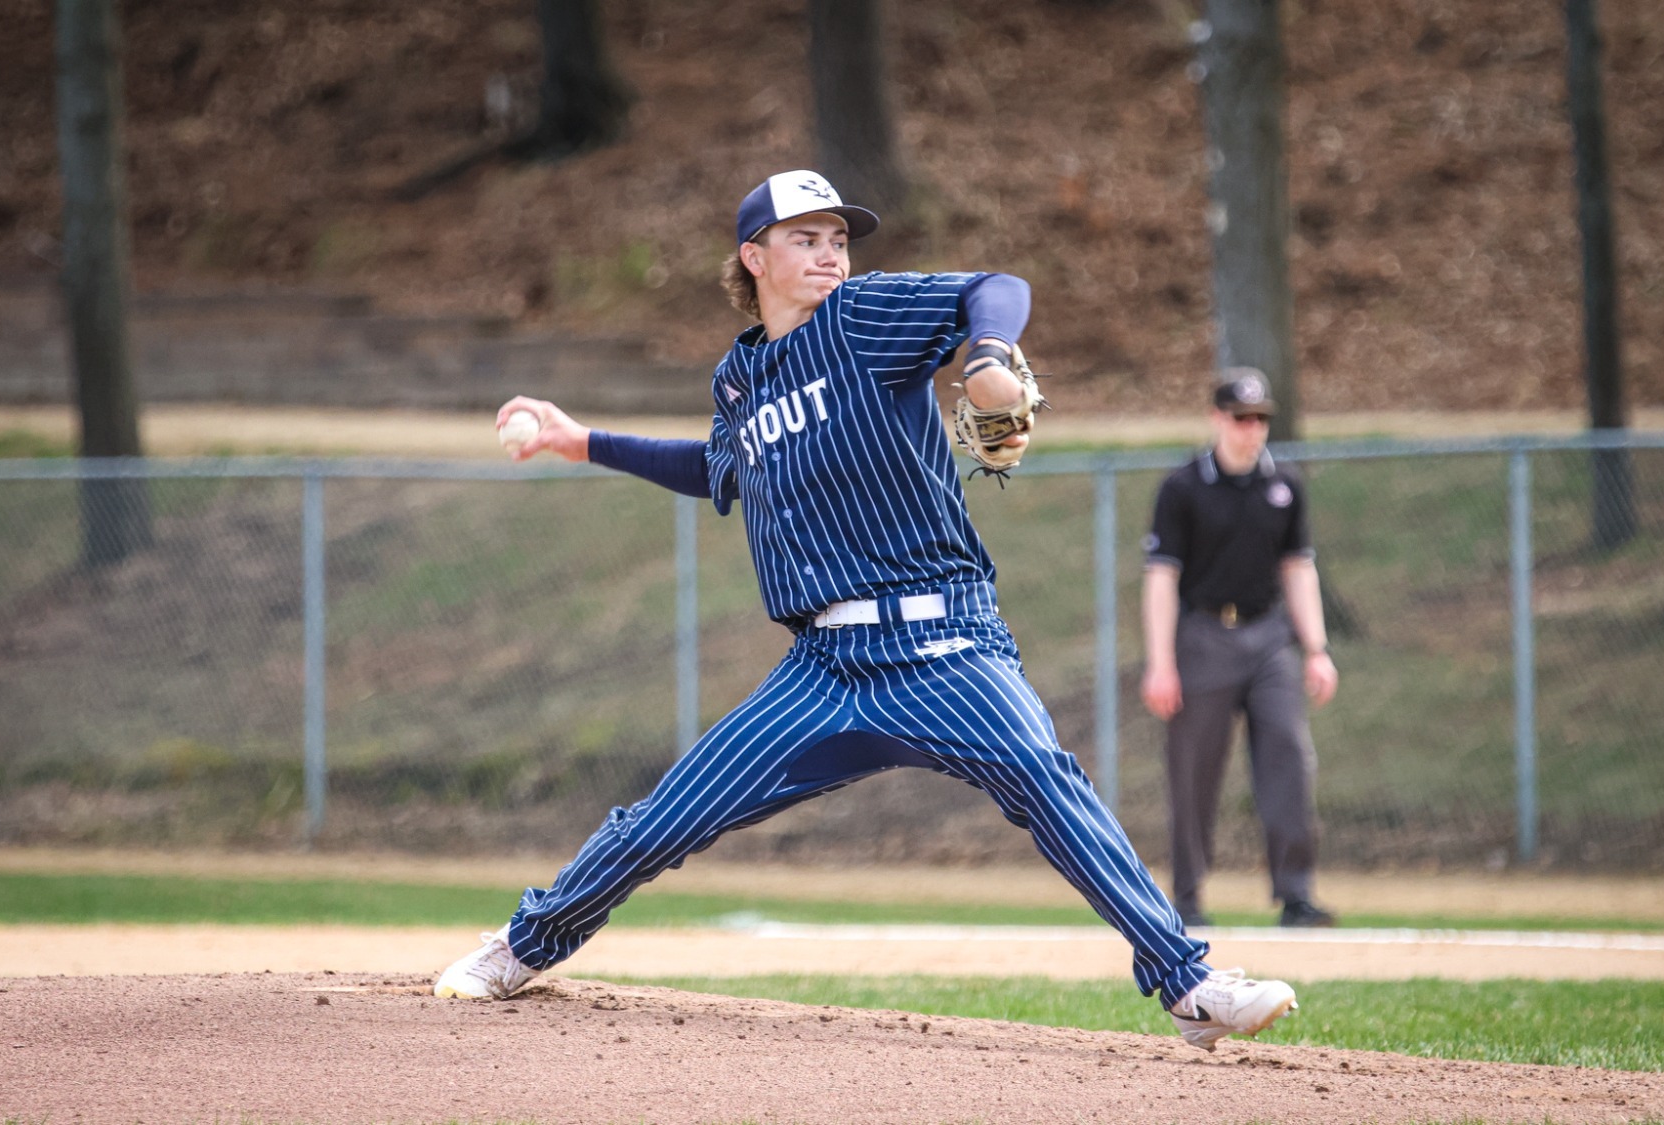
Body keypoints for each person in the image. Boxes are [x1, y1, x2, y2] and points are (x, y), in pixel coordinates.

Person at [433, 170, 1298, 1051]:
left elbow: (994, 288)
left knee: (1046, 778)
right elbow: (719, 471)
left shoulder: (861, 317)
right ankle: (524, 945)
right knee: (669, 814)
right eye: (806, 238)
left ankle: (1189, 983)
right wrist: (581, 441)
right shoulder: (740, 377)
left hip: (944, 643)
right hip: (822, 668)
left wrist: (987, 355)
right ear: (753, 257)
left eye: (839, 239)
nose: (831, 255)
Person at [1140, 370, 1340, 929]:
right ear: (1217, 419)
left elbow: (1298, 569)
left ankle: (1296, 894)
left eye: (1260, 419)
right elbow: (1161, 578)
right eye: (1241, 418)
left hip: (1270, 637)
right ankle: (1186, 901)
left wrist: (1316, 648)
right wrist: (1160, 663)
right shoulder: (1183, 488)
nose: (1251, 429)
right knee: (1194, 771)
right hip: (1203, 637)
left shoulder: (1284, 485)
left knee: (1289, 756)